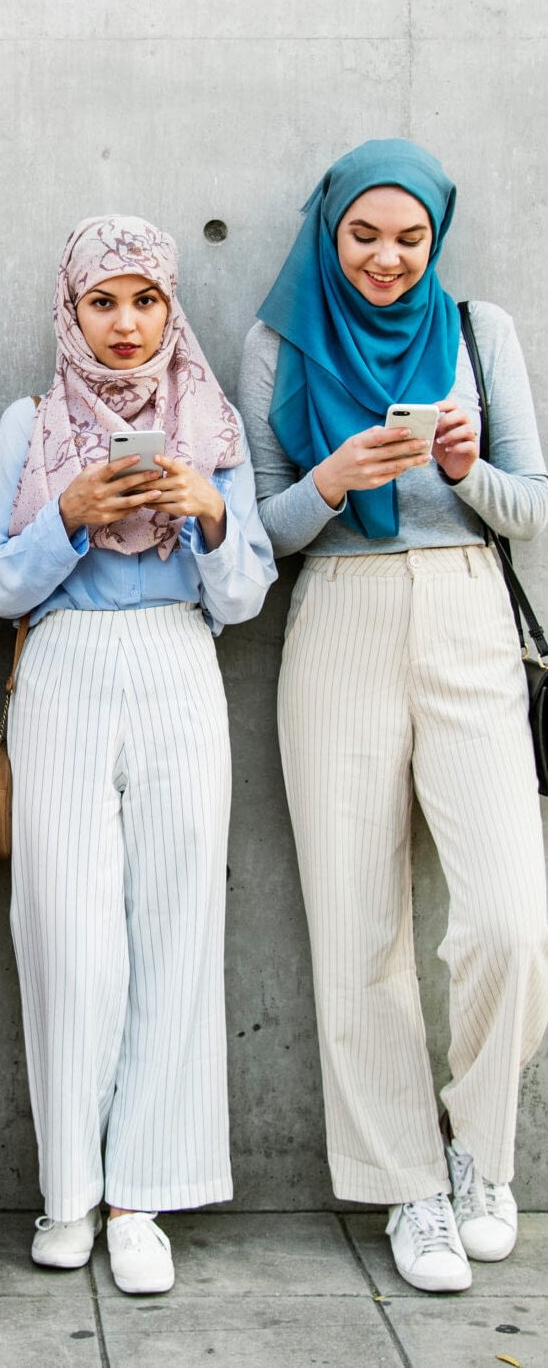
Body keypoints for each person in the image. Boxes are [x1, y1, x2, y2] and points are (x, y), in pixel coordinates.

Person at [238, 138, 548, 1293]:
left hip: (468, 612)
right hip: (335, 620)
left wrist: (462, 466)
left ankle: (475, 1146)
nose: (383, 256)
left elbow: (530, 507)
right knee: (356, 921)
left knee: (509, 917)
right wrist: (330, 479)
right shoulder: (278, 338)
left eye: (407, 235)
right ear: (328, 229)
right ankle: (405, 1182)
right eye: (362, 233)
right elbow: (256, 530)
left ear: (435, 235)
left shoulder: (479, 332)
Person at [0, 215, 275, 1294]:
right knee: (67, 934)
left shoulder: (213, 421)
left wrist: (201, 507)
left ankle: (141, 1192)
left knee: (175, 925)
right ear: (70, 309)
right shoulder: (31, 421)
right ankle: (70, 1190)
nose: (125, 321)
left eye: (143, 297)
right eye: (102, 299)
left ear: (168, 304)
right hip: (59, 669)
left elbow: (239, 597)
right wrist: (66, 512)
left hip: (179, 668)